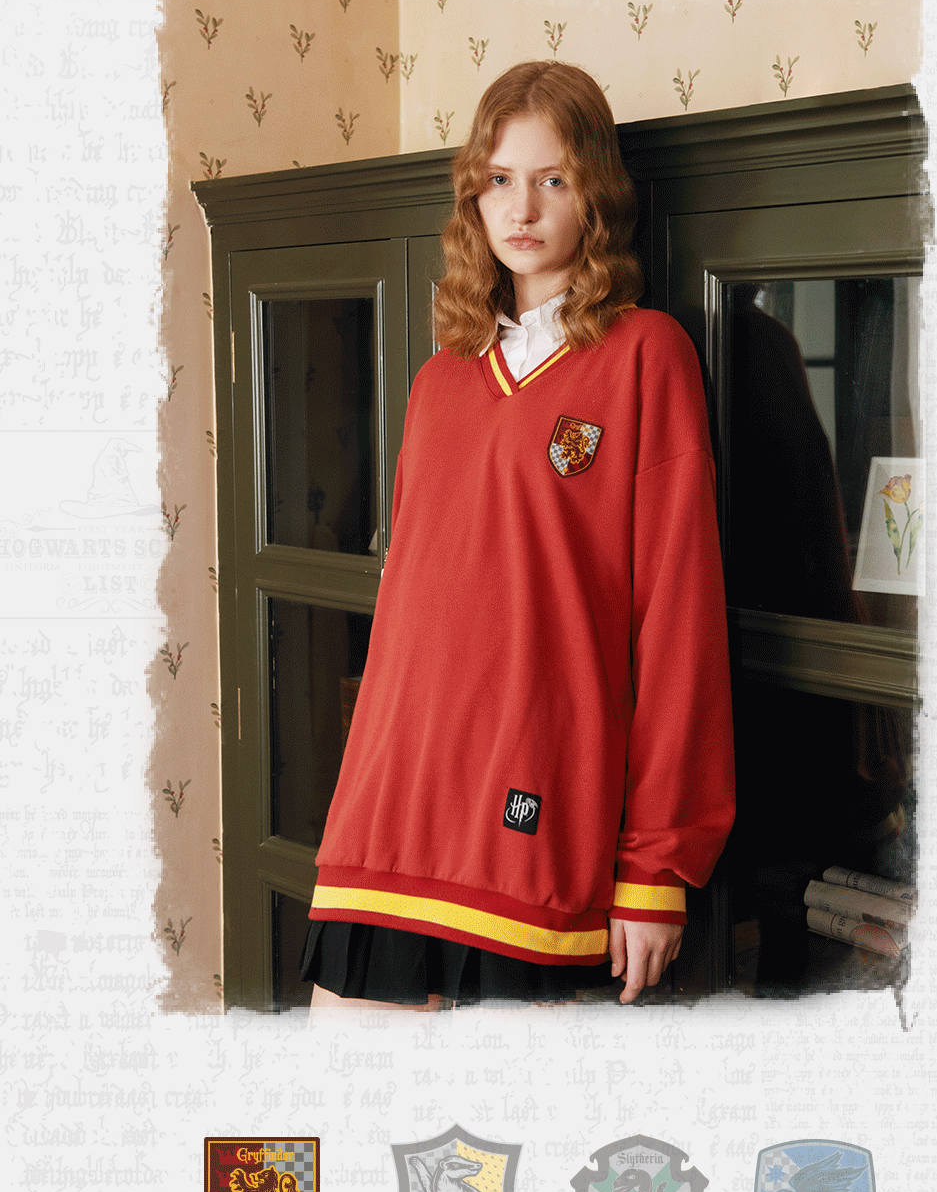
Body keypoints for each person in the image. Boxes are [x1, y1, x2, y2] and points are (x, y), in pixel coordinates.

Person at [301, 60, 735, 1011]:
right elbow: (407, 614)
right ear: (473, 196)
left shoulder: (646, 356)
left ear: (597, 195)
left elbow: (681, 627)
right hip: (394, 803)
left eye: (553, 179)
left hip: (536, 819)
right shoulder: (441, 379)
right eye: (499, 179)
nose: (522, 208)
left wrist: (657, 866)